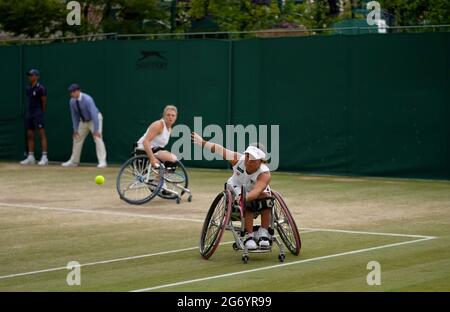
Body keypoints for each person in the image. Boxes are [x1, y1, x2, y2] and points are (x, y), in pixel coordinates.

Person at [192, 133, 272, 251]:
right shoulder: (237, 159)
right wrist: (202, 142)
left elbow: (255, 192)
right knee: (247, 201)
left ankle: (263, 233)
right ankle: (249, 236)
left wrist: (244, 199)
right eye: (247, 156)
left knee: (267, 199)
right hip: (235, 187)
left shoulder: (264, 174)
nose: (248, 161)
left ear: (261, 161)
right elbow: (219, 149)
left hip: (254, 192)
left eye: (253, 159)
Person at [62, 84, 107, 168]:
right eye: (71, 92)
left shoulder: (87, 99)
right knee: (76, 137)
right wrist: (75, 129)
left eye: (74, 92)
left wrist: (96, 130)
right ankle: (74, 161)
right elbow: (74, 116)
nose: (72, 94)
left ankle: (102, 161)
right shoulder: (72, 101)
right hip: (83, 121)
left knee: (97, 138)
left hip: (95, 119)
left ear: (79, 91)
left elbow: (94, 114)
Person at [20, 69, 49, 165]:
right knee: (30, 135)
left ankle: (44, 157)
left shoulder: (41, 88)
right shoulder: (28, 88)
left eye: (32, 75)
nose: (30, 77)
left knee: (41, 134)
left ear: (37, 77)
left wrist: (40, 112)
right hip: (30, 114)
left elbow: (44, 102)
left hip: (38, 113)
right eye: (29, 75)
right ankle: (31, 157)